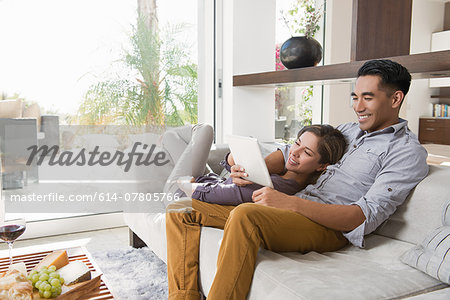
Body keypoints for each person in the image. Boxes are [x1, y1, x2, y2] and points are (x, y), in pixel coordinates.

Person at [165, 59, 429, 300]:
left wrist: (289, 204)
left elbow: (363, 216)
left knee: (246, 216)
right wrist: (253, 170)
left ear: (396, 98)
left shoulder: (406, 152)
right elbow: (291, 151)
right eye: (355, 97)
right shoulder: (349, 131)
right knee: (181, 209)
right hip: (293, 208)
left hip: (327, 227)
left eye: (367, 98)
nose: (357, 107)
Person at [180, 125, 346, 206]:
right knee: (174, 140)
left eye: (307, 153)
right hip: (209, 180)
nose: (294, 152)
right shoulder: (282, 172)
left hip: (184, 193)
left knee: (203, 130)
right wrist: (233, 162)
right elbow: (230, 172)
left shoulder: (278, 187)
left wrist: (189, 185)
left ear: (322, 166)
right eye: (297, 143)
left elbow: (219, 194)